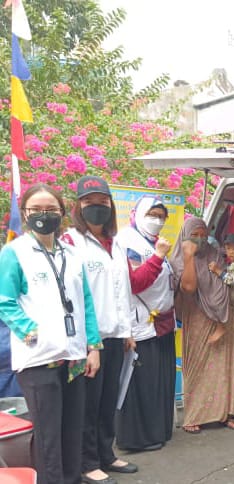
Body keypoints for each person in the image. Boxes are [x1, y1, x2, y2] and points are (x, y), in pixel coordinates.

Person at [62, 176, 170, 484]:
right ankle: (87, 461)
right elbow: (74, 296)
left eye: (102, 202)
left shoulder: (115, 244)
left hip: (115, 335)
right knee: (87, 403)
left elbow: (123, 291)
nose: (97, 208)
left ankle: (105, 454)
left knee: (109, 400)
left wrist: (127, 331)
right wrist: (89, 344)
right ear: (78, 207)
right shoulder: (71, 243)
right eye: (89, 203)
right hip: (87, 341)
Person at [0, 183, 102, 484]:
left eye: (51, 209)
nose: (44, 215)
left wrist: (93, 346)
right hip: (38, 357)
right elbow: (5, 300)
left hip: (73, 357)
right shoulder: (14, 252)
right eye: (36, 210)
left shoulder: (70, 253)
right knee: (48, 435)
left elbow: (86, 303)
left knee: (72, 428)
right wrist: (30, 332)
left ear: (61, 213)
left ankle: (71, 479)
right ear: (25, 213)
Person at [171, 218, 234, 433]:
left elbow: (226, 282)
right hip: (196, 317)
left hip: (224, 315)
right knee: (198, 366)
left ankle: (227, 412)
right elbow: (189, 287)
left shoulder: (215, 254)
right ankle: (196, 414)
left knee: (225, 366)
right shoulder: (177, 258)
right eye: (195, 234)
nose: (200, 238)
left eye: (204, 234)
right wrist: (188, 256)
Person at [115, 195, 176, 452]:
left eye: (162, 216)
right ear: (138, 214)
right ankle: (137, 438)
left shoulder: (151, 242)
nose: (158, 221)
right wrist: (159, 256)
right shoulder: (127, 241)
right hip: (141, 326)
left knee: (160, 382)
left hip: (161, 324)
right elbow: (136, 282)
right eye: (152, 214)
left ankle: (159, 431)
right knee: (140, 384)